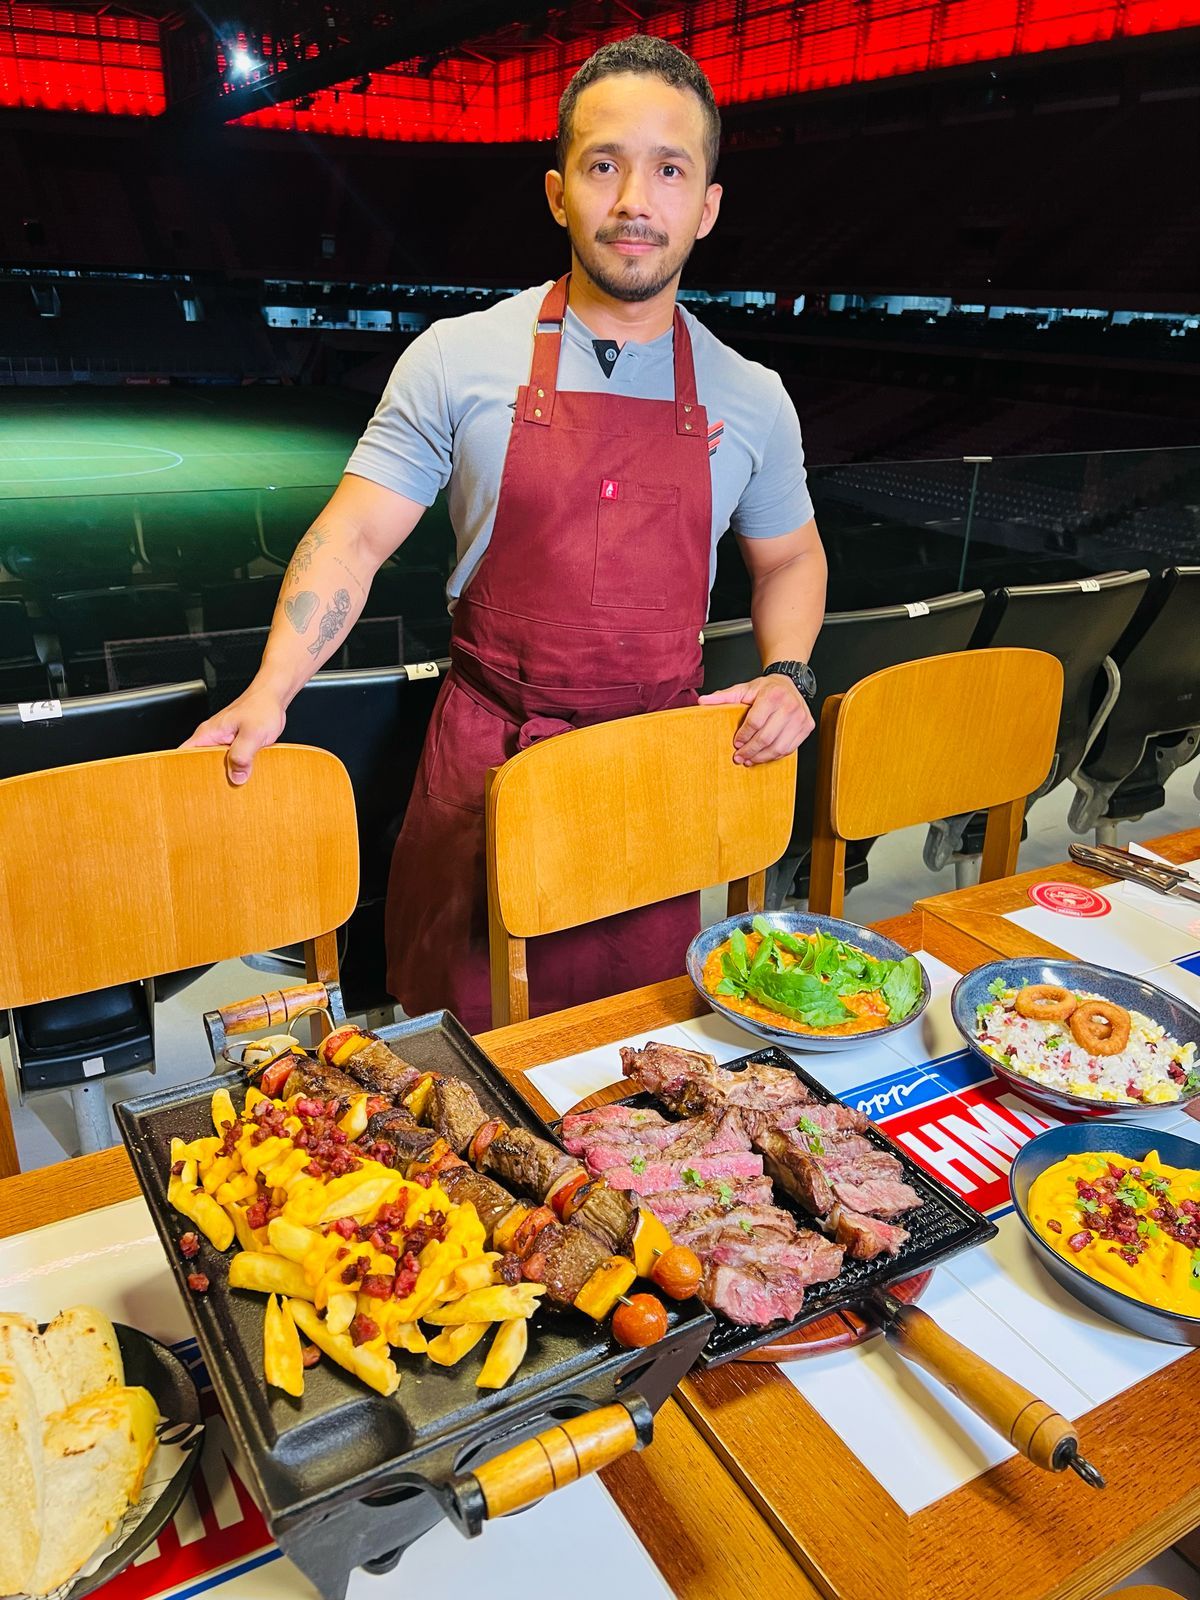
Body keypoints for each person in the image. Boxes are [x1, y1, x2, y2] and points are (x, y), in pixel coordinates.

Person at [185, 34, 827, 1033]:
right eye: (604, 164)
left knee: (633, 1056)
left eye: (669, 169)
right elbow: (351, 537)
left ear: (705, 205)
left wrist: (791, 671)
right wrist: (273, 690)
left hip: (650, 783)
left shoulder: (753, 397)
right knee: (460, 1065)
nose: (634, 200)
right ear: (558, 191)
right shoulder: (458, 359)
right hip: (488, 762)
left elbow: (790, 555)